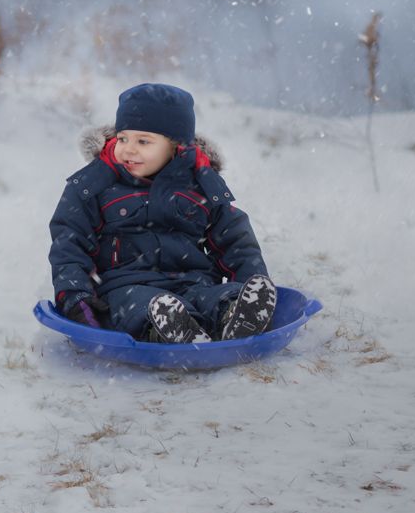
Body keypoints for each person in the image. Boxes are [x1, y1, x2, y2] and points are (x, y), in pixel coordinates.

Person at [47, 83, 277, 344]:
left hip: (193, 282)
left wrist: (249, 282)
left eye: (143, 141)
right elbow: (69, 244)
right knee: (139, 307)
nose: (129, 149)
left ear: (174, 146)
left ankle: (237, 316)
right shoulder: (95, 185)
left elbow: (236, 240)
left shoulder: (200, 184)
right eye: (123, 138)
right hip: (125, 287)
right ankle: (171, 331)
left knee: (218, 297)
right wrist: (75, 297)